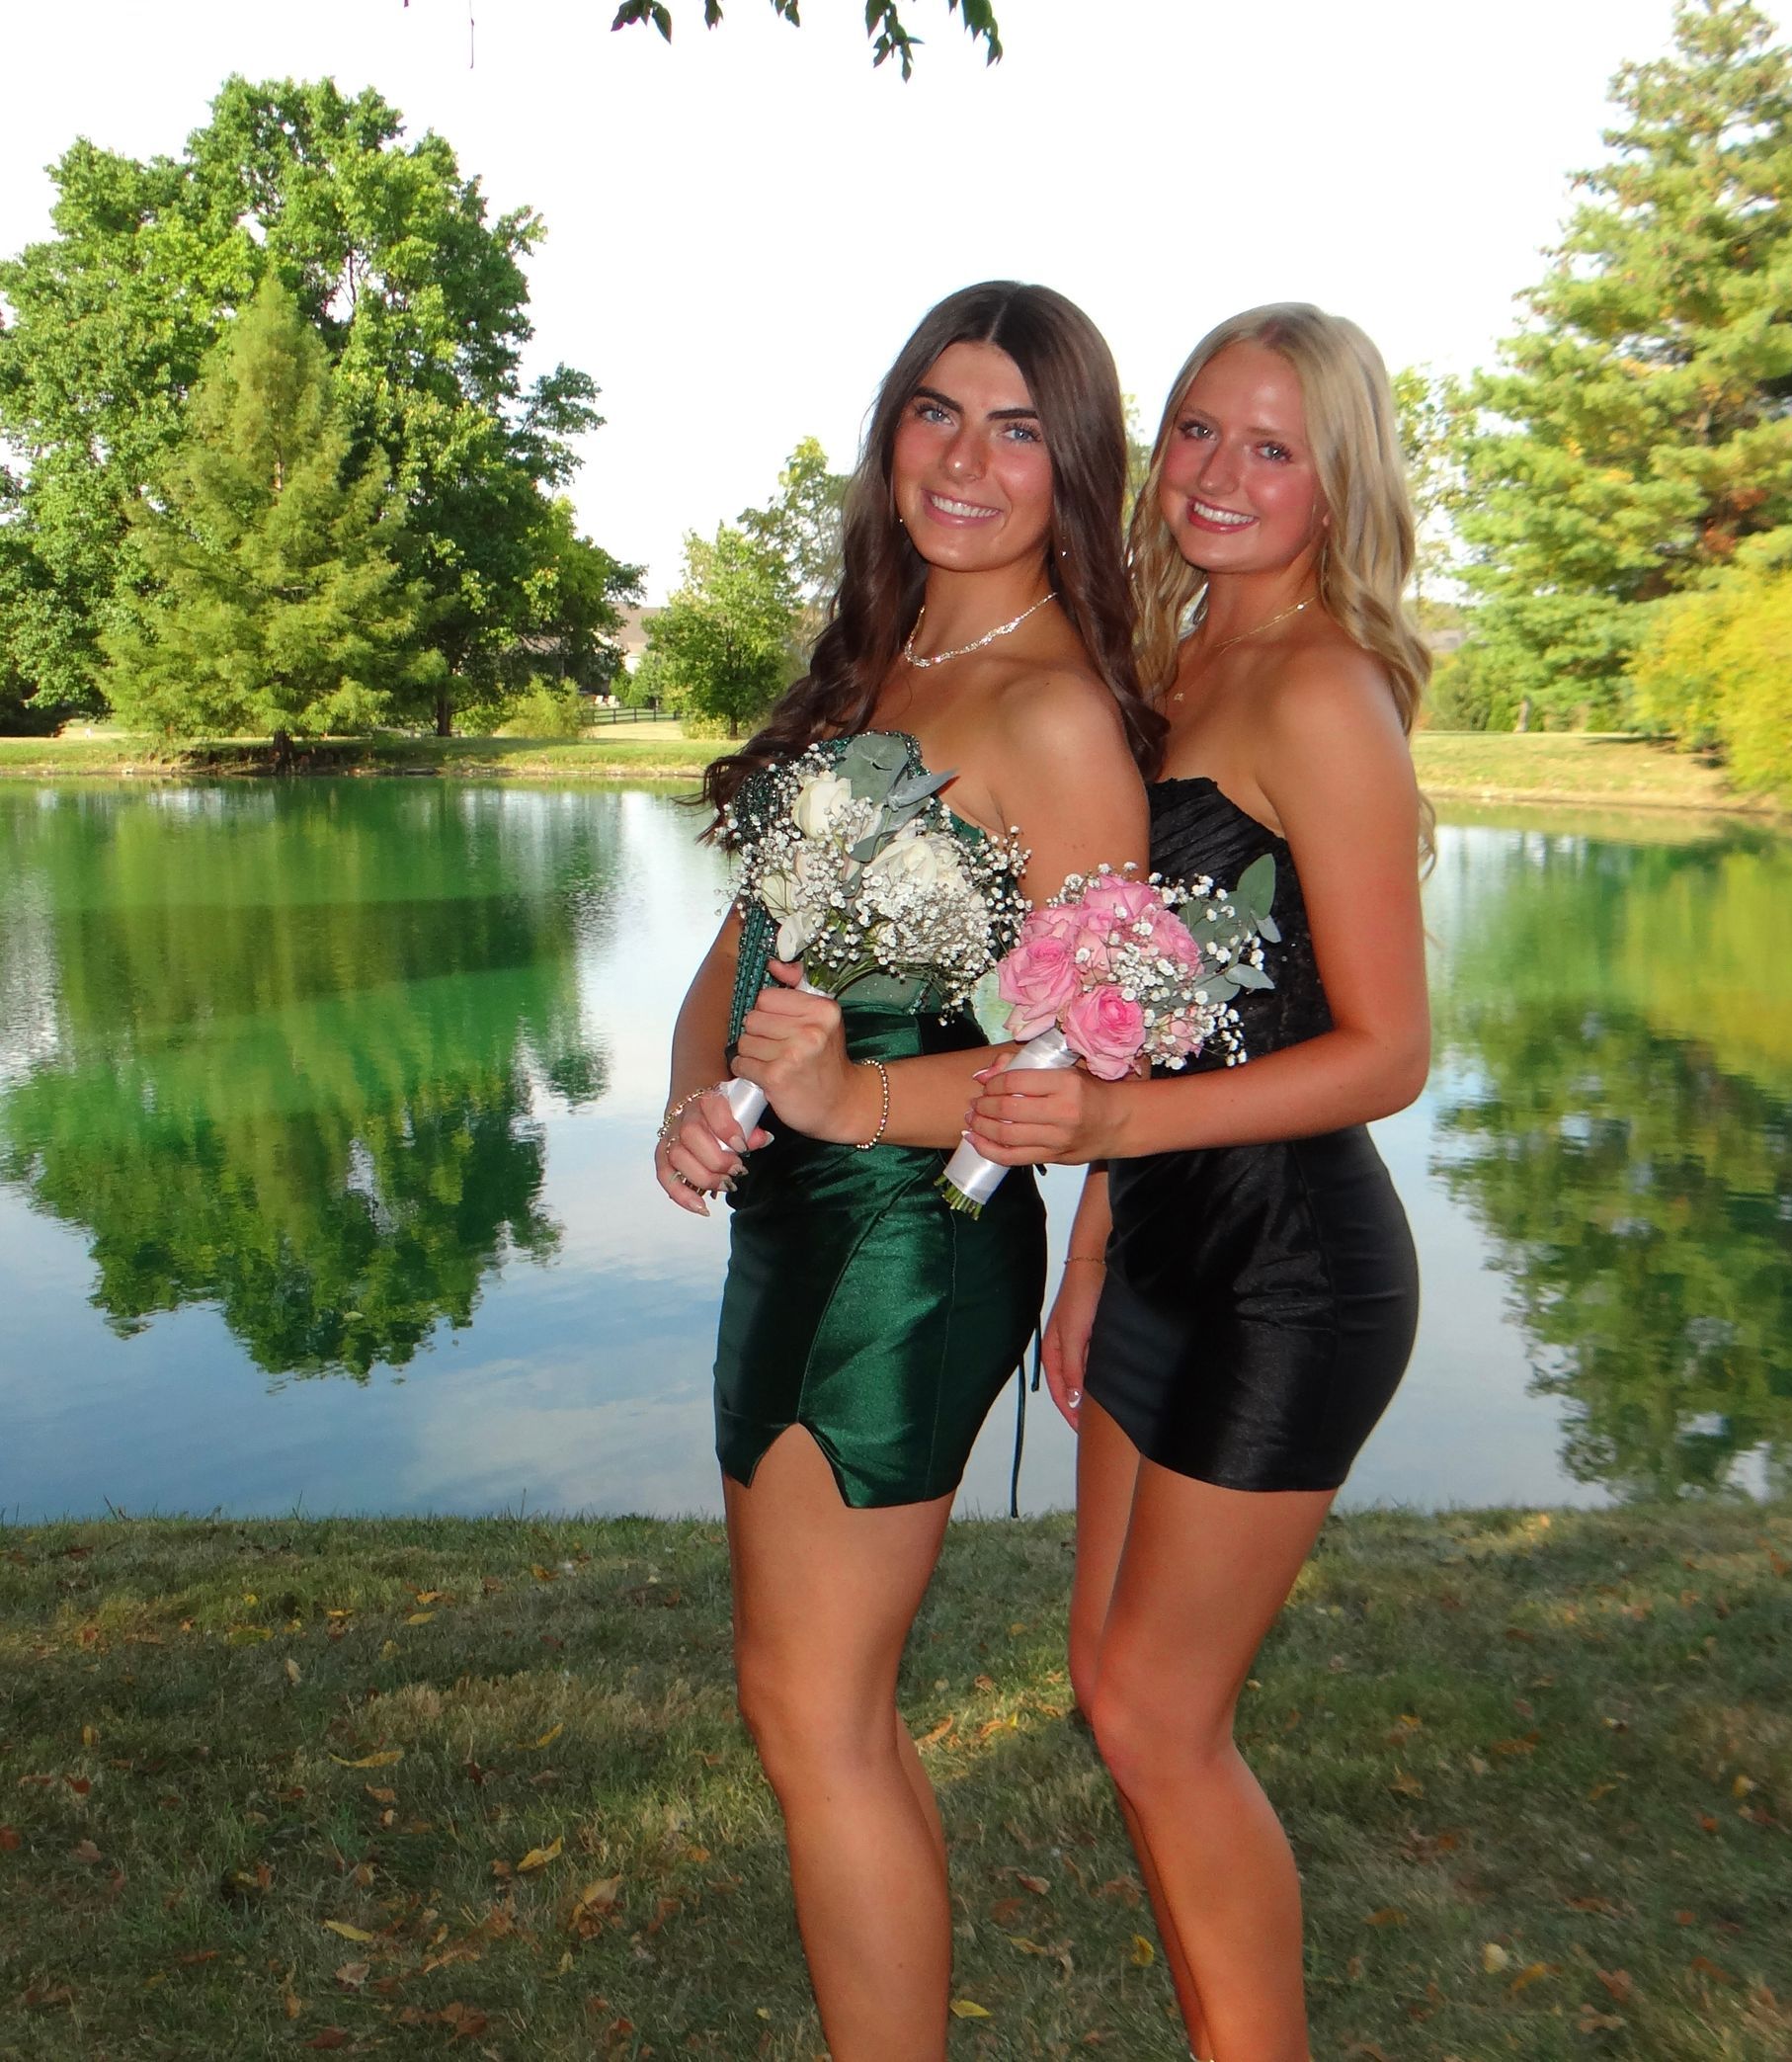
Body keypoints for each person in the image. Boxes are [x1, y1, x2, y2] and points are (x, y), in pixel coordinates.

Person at [654, 281, 1157, 2062]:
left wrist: (856, 1098)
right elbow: (747, 941)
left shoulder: (1058, 718)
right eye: (937, 411)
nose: (965, 457)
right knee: (803, 1708)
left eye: (1018, 427)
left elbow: (1095, 1062)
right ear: (891, 434)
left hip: (910, 1241)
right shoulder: (877, 660)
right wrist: (689, 1101)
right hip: (788, 1222)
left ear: (1073, 471)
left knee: (816, 1711)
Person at [964, 304, 1432, 2062]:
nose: (1218, 477)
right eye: (1194, 434)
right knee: (1112, 1693)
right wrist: (1092, 1252)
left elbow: (1388, 1051)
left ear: (1335, 485)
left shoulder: (1318, 684)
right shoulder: (1174, 672)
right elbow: (1143, 1011)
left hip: (1293, 1279)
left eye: (1271, 447)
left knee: (1164, 1717)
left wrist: (1108, 1146)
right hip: (1158, 1252)